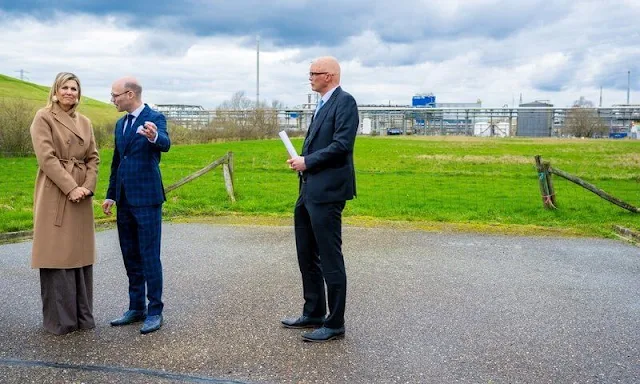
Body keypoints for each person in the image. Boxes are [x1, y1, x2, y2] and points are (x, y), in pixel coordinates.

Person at [282, 57, 359, 342]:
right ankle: (313, 311)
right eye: (310, 72)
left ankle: (335, 323)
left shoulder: (345, 102)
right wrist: (302, 163)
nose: (310, 77)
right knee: (306, 254)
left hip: (327, 193)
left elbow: (341, 145)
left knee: (329, 257)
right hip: (308, 190)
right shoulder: (321, 104)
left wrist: (308, 161)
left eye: (314, 73)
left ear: (330, 75)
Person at [29, 72, 100, 335]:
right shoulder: (43, 117)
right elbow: (46, 158)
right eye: (65, 87)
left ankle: (82, 317)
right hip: (56, 193)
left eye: (74, 88)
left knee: (79, 254)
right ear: (56, 91)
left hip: (82, 195)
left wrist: (87, 187)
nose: (70, 92)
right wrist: (71, 187)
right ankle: (62, 321)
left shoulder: (85, 121)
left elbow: (93, 158)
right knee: (57, 253)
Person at [102, 77, 170, 334]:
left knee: (149, 256)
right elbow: (116, 162)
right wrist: (111, 195)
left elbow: (166, 143)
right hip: (124, 201)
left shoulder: (155, 117)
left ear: (129, 94)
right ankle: (136, 307)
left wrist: (154, 137)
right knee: (130, 255)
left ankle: (155, 311)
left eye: (115, 95)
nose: (113, 100)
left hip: (147, 199)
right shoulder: (120, 125)